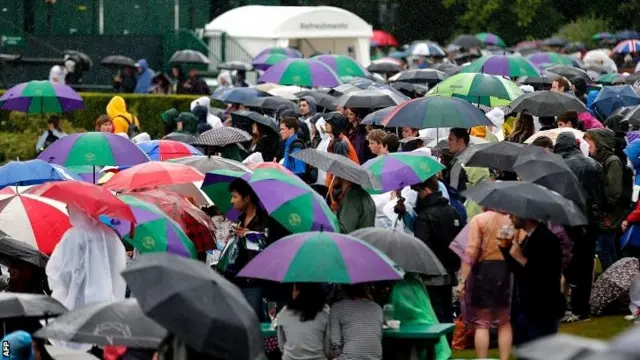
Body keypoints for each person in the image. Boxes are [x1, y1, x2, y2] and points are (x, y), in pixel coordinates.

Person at [46, 205, 127, 351]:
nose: (66, 208)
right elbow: (119, 270)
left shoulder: (72, 236)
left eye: (70, 205)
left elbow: (58, 274)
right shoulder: (111, 236)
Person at [554, 132, 604, 322]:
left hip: (570, 220)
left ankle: (565, 307)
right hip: (591, 220)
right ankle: (581, 309)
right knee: (586, 264)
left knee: (566, 264)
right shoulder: (594, 163)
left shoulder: (560, 165)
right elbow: (602, 194)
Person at [498, 214, 565, 345]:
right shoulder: (529, 238)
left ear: (525, 215)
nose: (510, 217)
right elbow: (519, 271)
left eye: (513, 213)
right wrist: (505, 249)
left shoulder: (547, 239)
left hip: (541, 309)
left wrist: (520, 258)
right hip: (524, 307)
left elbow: (545, 276)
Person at [457, 210, 513, 360]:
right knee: (504, 320)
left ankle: (482, 358)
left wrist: (462, 280)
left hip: (485, 270)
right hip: (507, 269)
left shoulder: (479, 220)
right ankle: (504, 358)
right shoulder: (512, 220)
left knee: (482, 322)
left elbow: (471, 250)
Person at [411, 176, 462, 324]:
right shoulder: (452, 211)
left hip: (431, 273)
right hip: (450, 271)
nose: (418, 196)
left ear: (426, 191)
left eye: (419, 192)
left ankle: (440, 346)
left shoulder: (425, 216)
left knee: (435, 314)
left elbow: (422, 246)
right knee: (446, 311)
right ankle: (448, 342)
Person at [584, 128, 625, 271]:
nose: (588, 149)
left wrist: (598, 200)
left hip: (608, 215)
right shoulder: (597, 160)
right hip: (603, 214)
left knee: (604, 250)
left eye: (590, 145)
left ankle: (613, 283)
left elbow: (614, 192)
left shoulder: (612, 161)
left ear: (599, 144)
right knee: (609, 249)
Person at [390, 275, 452, 360]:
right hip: (424, 324)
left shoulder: (397, 287)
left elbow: (393, 306)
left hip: (403, 326)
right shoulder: (417, 285)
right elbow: (427, 307)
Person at [277, 283, 330, 360]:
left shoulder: (284, 314)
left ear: (299, 292)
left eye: (294, 289)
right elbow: (327, 349)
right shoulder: (324, 316)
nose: (292, 292)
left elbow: (281, 346)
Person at [330, 284, 383, 360]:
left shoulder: (337, 307)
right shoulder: (377, 308)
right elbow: (378, 337)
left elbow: (335, 344)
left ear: (343, 289)